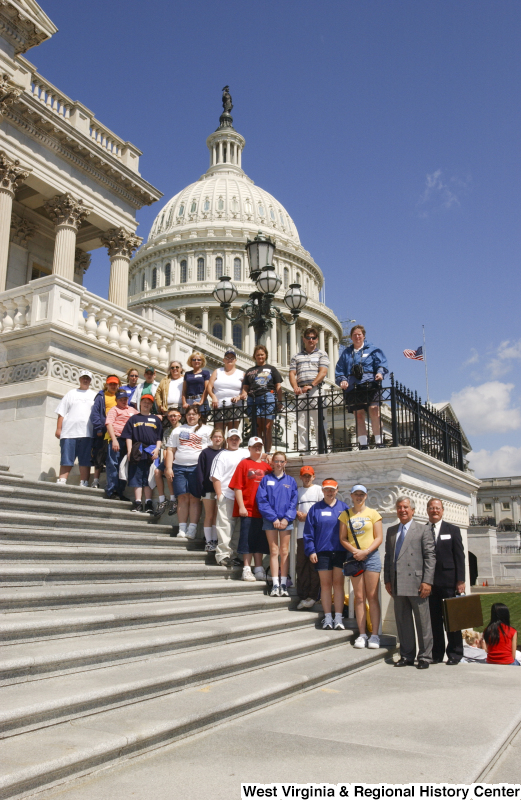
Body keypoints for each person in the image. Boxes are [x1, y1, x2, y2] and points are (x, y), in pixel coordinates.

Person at [384, 496, 436, 669]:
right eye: (399, 507)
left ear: (413, 510)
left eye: (406, 507)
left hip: (417, 583)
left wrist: (427, 581)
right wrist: (387, 580)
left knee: (423, 622)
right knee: (403, 621)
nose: (402, 510)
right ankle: (406, 655)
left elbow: (430, 557)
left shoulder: (422, 530)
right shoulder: (391, 531)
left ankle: (425, 657)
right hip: (397, 583)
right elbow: (388, 558)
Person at [339, 484, 383, 649]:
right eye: (356, 494)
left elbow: (379, 537)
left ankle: (375, 635)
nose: (359, 497)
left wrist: (366, 551)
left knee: (372, 596)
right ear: (351, 495)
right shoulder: (345, 515)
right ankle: (362, 634)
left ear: (366, 496)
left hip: (371, 557)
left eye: (362, 494)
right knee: (358, 597)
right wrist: (356, 551)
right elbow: (343, 538)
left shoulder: (373, 514)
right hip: (354, 558)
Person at [303, 478, 349, 630]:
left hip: (340, 552)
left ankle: (338, 618)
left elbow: (350, 531)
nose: (329, 492)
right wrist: (311, 550)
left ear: (337, 490)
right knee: (325, 585)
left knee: (338, 584)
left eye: (332, 489)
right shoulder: (315, 509)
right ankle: (328, 617)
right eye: (327, 489)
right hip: (322, 552)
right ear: (322, 491)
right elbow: (308, 533)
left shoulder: (344, 508)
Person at [426, 497, 466, 665]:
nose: (435, 511)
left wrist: (461, 580)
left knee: (452, 620)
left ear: (442, 511)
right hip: (430, 583)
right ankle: (436, 654)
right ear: (427, 510)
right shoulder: (423, 530)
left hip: (449, 582)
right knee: (434, 621)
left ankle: (455, 653)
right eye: (432, 508)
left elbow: (459, 557)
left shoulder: (452, 530)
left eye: (438, 508)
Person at [335, 324, 388, 450]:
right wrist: (342, 380)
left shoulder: (373, 350)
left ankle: (379, 442)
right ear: (351, 337)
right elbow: (339, 370)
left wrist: (380, 373)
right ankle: (363, 444)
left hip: (370, 384)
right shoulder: (346, 353)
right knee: (358, 415)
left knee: (375, 411)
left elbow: (381, 364)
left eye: (359, 334)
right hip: (354, 386)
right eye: (354, 335)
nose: (357, 337)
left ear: (363, 336)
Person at [164, 404, 212, 539]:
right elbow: (170, 450)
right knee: (182, 498)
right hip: (179, 467)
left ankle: (192, 529)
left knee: (195, 498)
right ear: (186, 416)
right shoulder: (178, 430)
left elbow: (210, 451)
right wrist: (168, 468)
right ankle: (182, 528)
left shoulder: (207, 430)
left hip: (197, 468)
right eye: (189, 414)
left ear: (199, 416)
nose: (191, 416)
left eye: (194, 414)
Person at [229, 436, 272, 581]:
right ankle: (246, 569)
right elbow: (237, 487)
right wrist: (241, 506)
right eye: (255, 446)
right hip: (248, 508)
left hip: (263, 511)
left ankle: (259, 568)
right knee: (247, 539)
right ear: (249, 448)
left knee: (260, 540)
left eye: (260, 446)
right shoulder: (244, 464)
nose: (257, 448)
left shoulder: (267, 467)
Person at [256, 452, 298, 597]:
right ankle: (274, 584)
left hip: (286, 521)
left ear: (285, 463)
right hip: (270, 520)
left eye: (281, 461)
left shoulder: (291, 481)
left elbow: (294, 502)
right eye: (276, 461)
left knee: (284, 552)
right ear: (272, 463)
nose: (279, 464)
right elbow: (262, 501)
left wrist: (286, 518)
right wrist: (273, 518)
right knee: (274, 551)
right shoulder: (266, 480)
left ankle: (283, 584)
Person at [210, 429, 250, 567]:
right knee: (225, 527)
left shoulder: (246, 453)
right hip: (227, 494)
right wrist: (219, 495)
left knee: (238, 529)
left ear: (240, 440)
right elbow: (216, 477)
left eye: (236, 438)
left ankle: (232, 555)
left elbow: (259, 456)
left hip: (242, 497)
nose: (234, 441)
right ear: (227, 440)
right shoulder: (221, 455)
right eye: (232, 438)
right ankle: (222, 555)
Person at [289, 326, 329, 453]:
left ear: (317, 340)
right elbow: (292, 373)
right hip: (301, 389)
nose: (311, 340)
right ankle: (303, 450)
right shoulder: (296, 356)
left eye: (313, 338)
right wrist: (295, 387)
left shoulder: (322, 354)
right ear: (304, 339)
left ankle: (321, 448)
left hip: (316, 389)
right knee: (302, 423)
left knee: (320, 421)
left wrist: (312, 385)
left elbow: (323, 372)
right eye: (308, 338)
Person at [121, 394, 162, 513]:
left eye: (149, 402)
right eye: (144, 402)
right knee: (136, 476)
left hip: (151, 451)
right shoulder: (133, 418)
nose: (146, 404)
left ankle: (148, 503)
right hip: (137, 450)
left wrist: (157, 449)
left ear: (151, 405)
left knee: (149, 478)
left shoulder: (155, 419)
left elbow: (159, 437)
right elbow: (128, 436)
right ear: (140, 403)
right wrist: (129, 451)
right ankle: (138, 502)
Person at [54, 370, 96, 487]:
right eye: (83, 378)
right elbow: (61, 412)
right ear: (79, 379)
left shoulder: (94, 395)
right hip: (68, 432)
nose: (85, 380)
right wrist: (58, 428)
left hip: (87, 433)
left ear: (90, 380)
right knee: (66, 458)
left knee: (85, 460)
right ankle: (62, 480)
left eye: (87, 378)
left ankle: (84, 482)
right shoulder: (71, 393)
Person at [238, 345, 282, 453]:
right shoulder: (249, 371)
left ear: (265, 355)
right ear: (254, 356)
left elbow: (278, 386)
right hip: (253, 399)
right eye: (258, 355)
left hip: (268, 396)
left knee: (267, 427)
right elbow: (245, 387)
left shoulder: (272, 369)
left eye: (262, 354)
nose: (260, 357)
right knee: (258, 427)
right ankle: (259, 452)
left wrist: (280, 402)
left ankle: (267, 453)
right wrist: (243, 394)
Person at [295, 466, 323, 610]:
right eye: (304, 476)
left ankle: (313, 596)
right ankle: (303, 595)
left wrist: (308, 516)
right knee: (301, 565)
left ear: (313, 476)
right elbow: (291, 507)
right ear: (301, 477)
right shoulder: (298, 491)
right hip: (301, 534)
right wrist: (297, 514)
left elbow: (322, 509)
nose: (307, 478)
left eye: (309, 476)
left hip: (315, 534)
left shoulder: (318, 490)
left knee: (314, 566)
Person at [196, 427, 225, 552]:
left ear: (223, 439)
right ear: (211, 438)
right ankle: (208, 542)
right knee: (209, 515)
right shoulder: (205, 453)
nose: (217, 439)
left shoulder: (225, 453)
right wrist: (201, 488)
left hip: (221, 489)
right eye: (215, 437)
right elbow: (200, 472)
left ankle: (214, 540)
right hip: (208, 488)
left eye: (220, 437)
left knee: (216, 516)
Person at [89, 374, 121, 489]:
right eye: (111, 384)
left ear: (118, 385)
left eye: (115, 384)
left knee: (112, 458)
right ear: (107, 384)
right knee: (99, 456)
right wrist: (98, 428)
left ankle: (111, 482)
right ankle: (95, 481)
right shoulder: (101, 396)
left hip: (116, 432)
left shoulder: (120, 396)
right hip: (103, 430)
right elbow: (95, 413)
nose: (113, 386)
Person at [105, 389, 137, 500]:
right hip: (117, 439)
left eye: (125, 399)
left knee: (124, 467)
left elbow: (141, 417)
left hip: (129, 441)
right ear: (117, 400)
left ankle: (120, 492)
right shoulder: (114, 410)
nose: (124, 401)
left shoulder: (132, 410)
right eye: (121, 399)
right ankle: (112, 490)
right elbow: (109, 424)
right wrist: (114, 440)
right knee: (113, 465)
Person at [206, 349, 244, 432]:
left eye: (232, 358)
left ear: (235, 360)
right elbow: (209, 386)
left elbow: (245, 389)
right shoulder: (217, 371)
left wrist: (239, 397)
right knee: (219, 433)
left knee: (232, 433)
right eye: (227, 357)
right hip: (219, 405)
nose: (229, 359)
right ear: (223, 360)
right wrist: (213, 397)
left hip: (235, 406)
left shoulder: (241, 373)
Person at [153, 407, 182, 518]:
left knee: (167, 472)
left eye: (175, 415)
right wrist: (167, 462)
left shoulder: (182, 429)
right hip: (168, 457)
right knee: (157, 472)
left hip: (178, 457)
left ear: (179, 416)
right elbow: (165, 448)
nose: (173, 418)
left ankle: (173, 499)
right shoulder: (167, 431)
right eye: (170, 416)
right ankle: (162, 499)